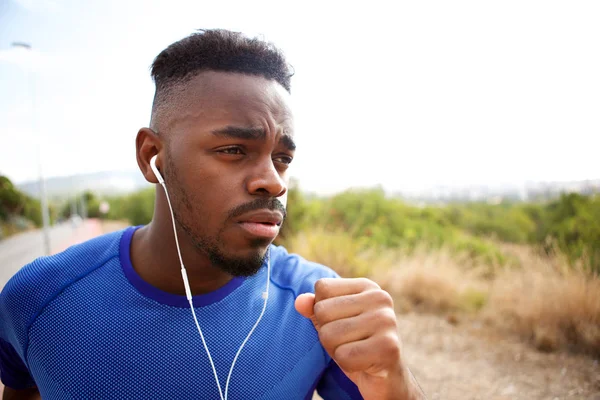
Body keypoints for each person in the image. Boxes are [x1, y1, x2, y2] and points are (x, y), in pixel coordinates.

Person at [0, 29, 425, 400]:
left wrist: (394, 382)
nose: (273, 182)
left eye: (282, 158)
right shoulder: (38, 296)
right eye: (233, 150)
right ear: (153, 157)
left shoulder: (317, 307)